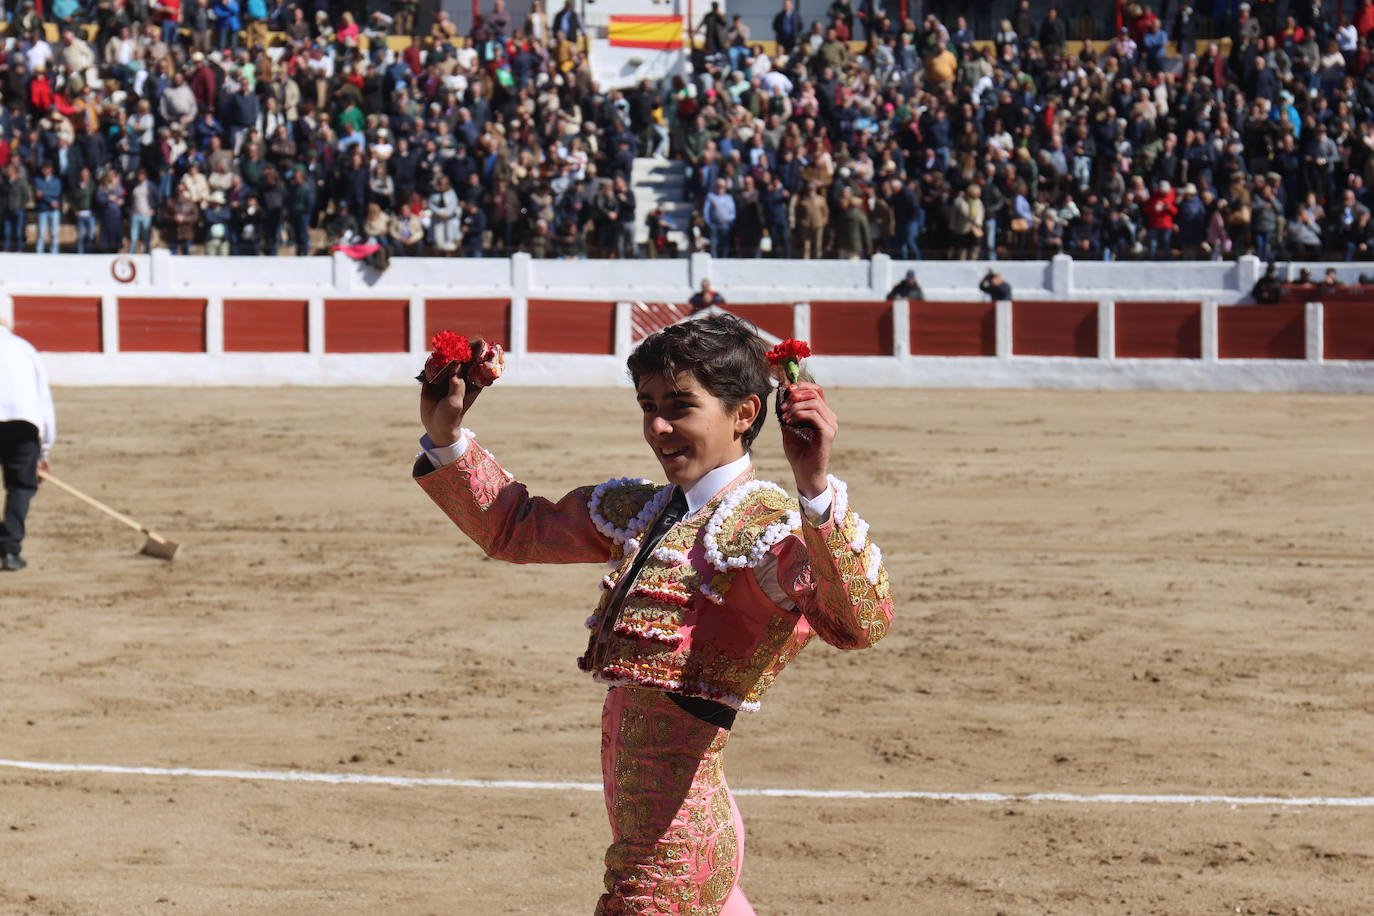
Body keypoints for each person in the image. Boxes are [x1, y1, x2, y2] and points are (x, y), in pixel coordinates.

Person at [414, 314, 892, 914]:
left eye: (681, 406)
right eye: (647, 405)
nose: (658, 427)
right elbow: (515, 530)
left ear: (745, 414)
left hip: (672, 838)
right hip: (667, 819)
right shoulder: (645, 508)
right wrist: (447, 435)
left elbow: (858, 624)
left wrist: (815, 486)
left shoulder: (768, 526)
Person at [0, 315, 56, 571]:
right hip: (23, 424)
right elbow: (43, 402)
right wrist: (43, 452)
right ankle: (9, 551)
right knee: (21, 487)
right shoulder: (24, 348)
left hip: (20, 421)